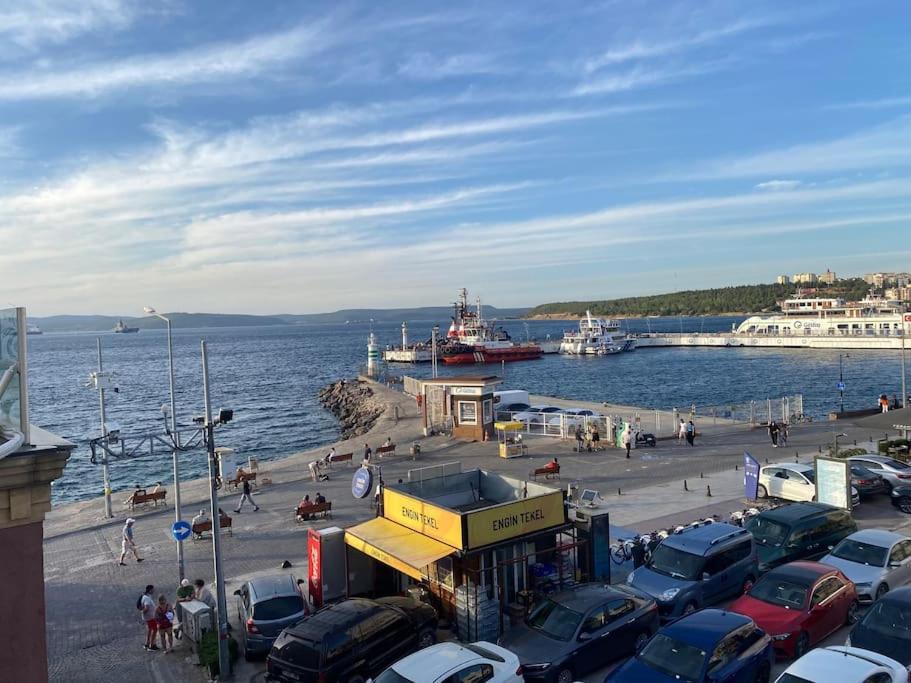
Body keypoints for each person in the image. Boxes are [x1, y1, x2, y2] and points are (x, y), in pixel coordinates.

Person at [138, 584, 158, 651]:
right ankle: (152, 645)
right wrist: (143, 611)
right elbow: (146, 608)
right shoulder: (147, 598)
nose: (154, 590)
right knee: (155, 629)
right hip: (150, 617)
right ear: (150, 590)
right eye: (153, 589)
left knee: (150, 629)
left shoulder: (145, 597)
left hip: (148, 617)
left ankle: (147, 643)